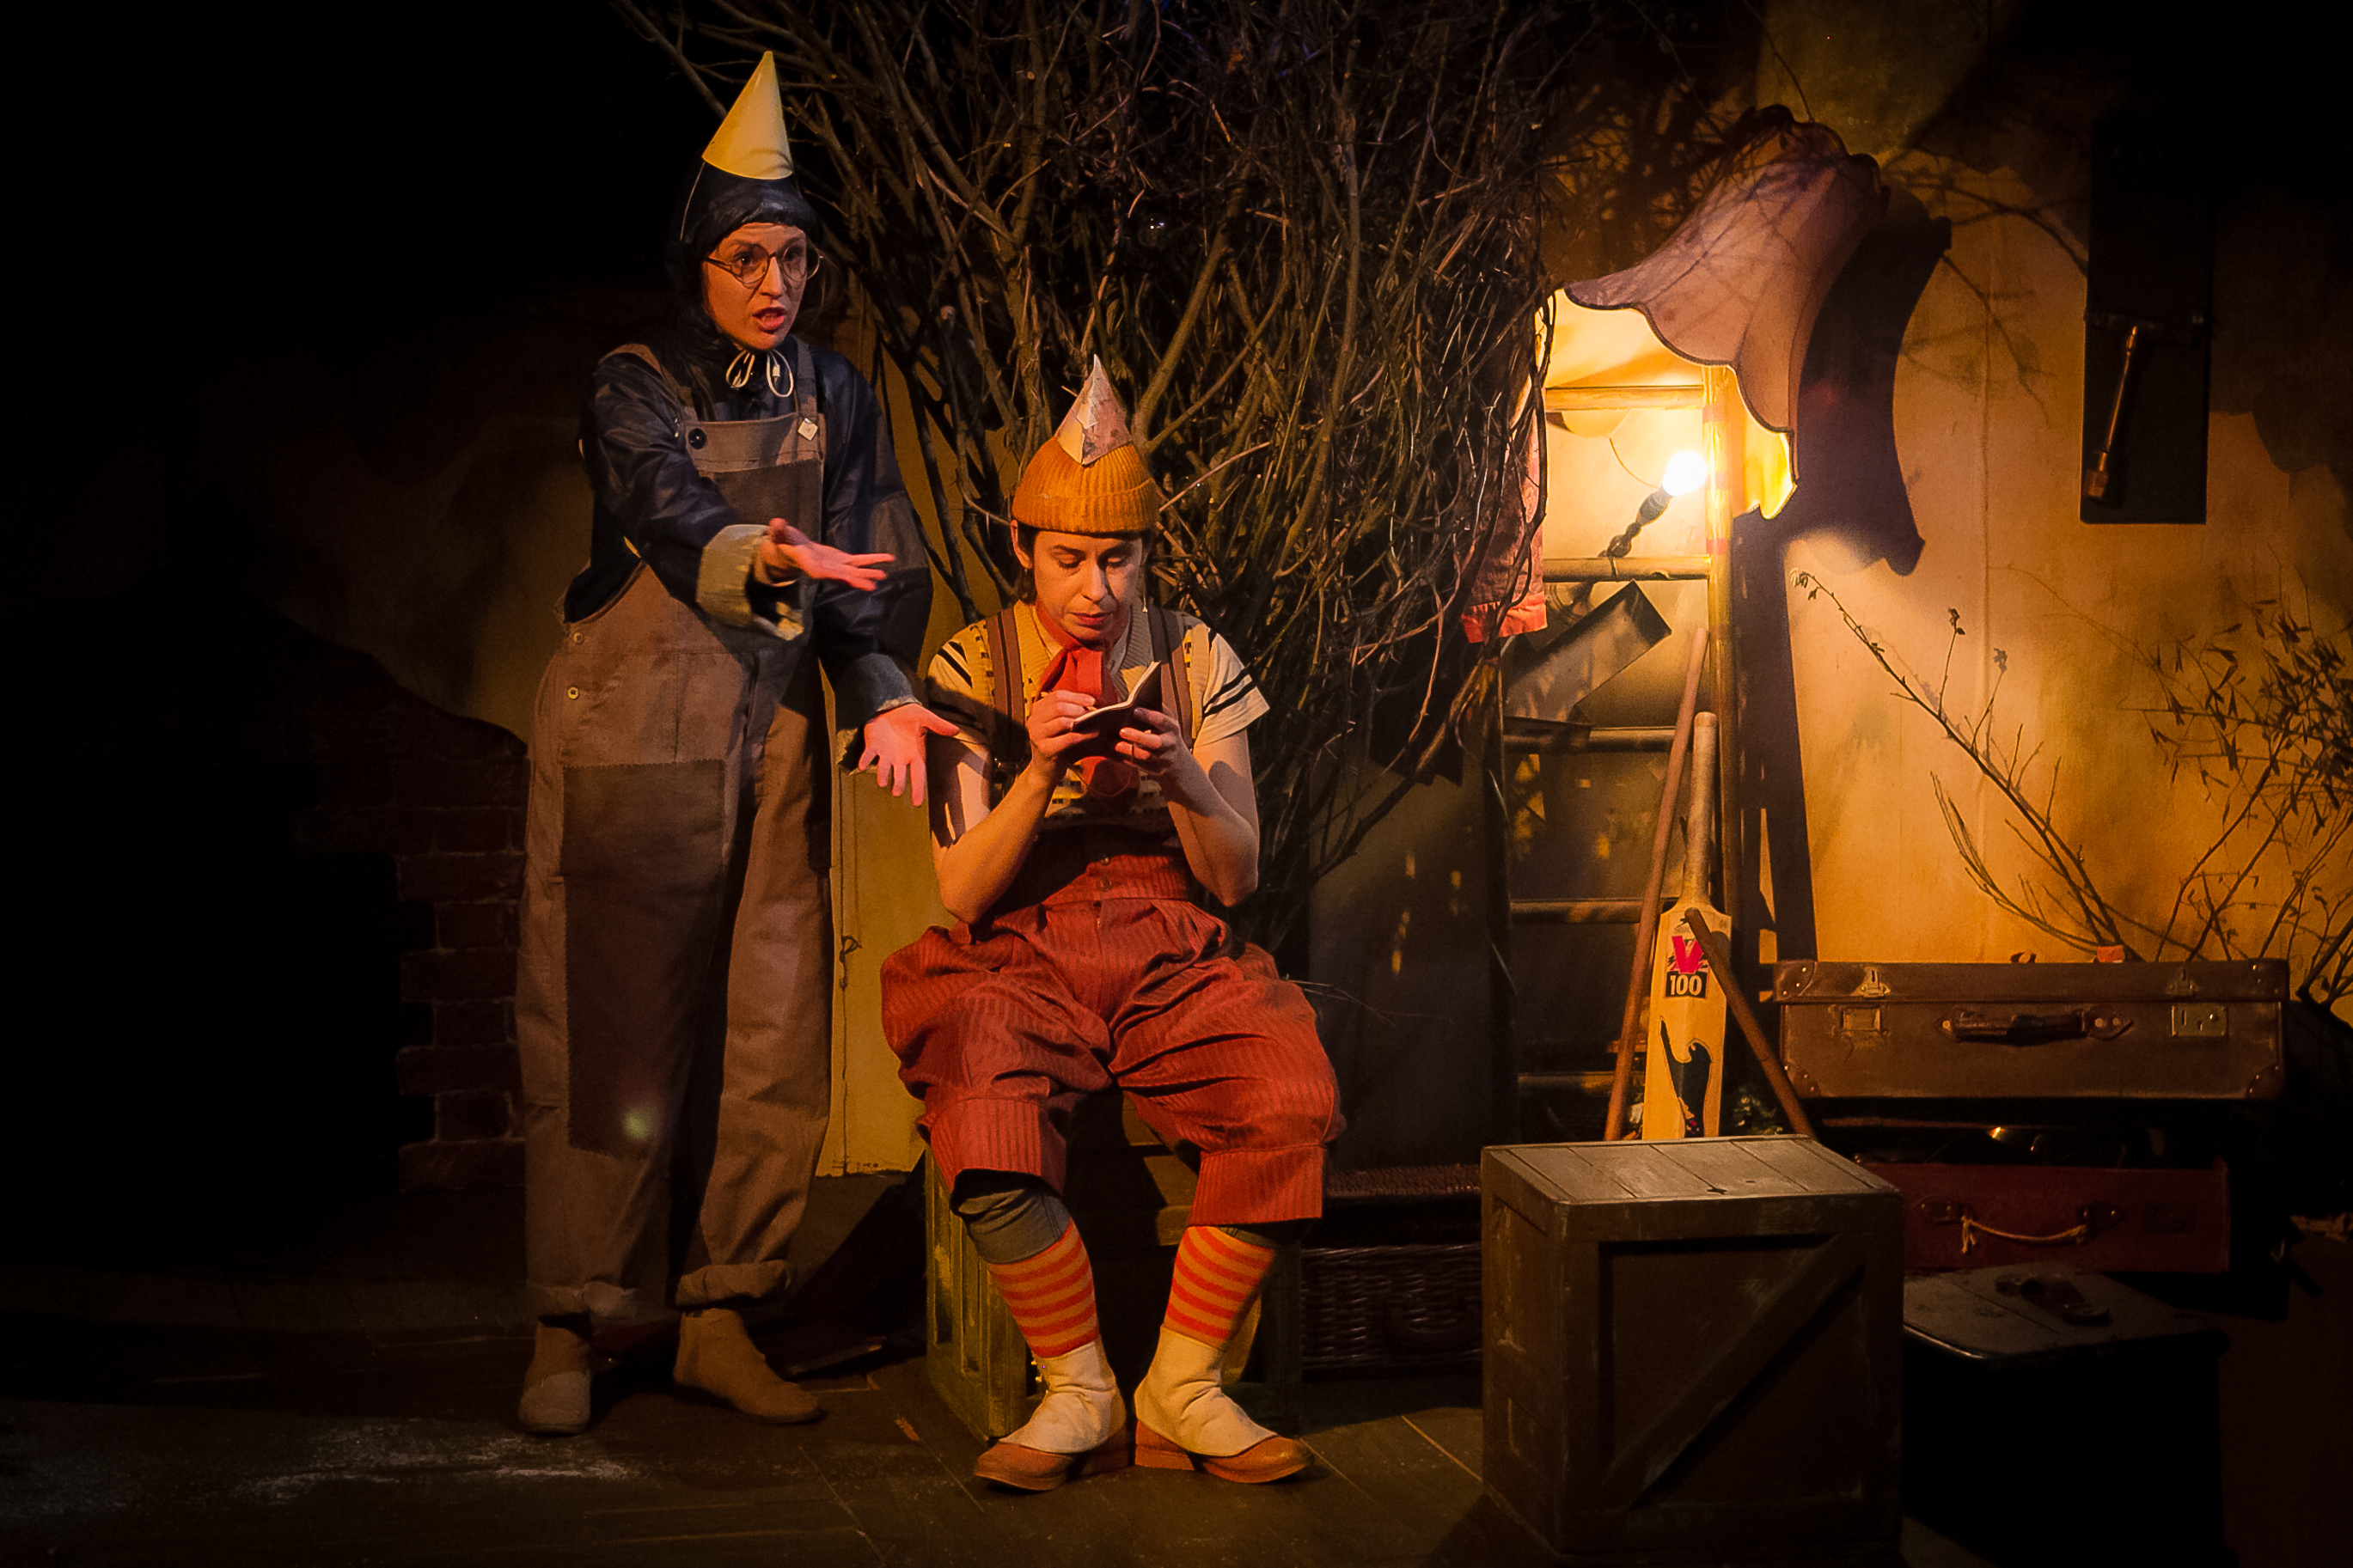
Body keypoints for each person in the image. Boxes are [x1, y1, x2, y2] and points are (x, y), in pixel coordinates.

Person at [514, 52, 952, 1437]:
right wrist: (760, 548)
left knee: (769, 1031)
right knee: (610, 1039)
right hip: (632, 742)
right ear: (696, 260)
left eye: (794, 257)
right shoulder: (634, 382)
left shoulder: (836, 391)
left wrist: (881, 686)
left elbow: (874, 556)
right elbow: (661, 504)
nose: (775, 283)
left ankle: (720, 1314)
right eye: (747, 257)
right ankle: (571, 1318)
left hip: (769, 744)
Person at [882, 361, 1342, 1491]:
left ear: (1146, 554)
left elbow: (1234, 877)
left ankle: (1182, 1386)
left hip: (1168, 934)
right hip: (1018, 940)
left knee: (1289, 1089)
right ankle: (1078, 1387)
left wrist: (1182, 773)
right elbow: (961, 888)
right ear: (1024, 549)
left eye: (1119, 558)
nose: (1095, 587)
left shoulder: (1195, 656)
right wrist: (1038, 769)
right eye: (1069, 558)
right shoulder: (971, 663)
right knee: (978, 1081)